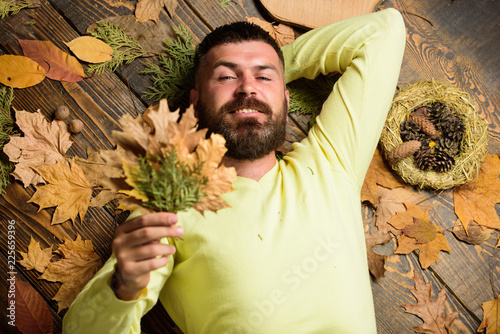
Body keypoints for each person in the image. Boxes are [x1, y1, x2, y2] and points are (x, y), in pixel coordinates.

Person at [63, 8, 405, 334]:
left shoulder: (332, 161)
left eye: (264, 76)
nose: (247, 87)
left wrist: (285, 64)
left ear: (286, 99)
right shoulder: (169, 213)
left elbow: (384, 31)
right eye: (226, 76)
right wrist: (121, 289)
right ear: (195, 104)